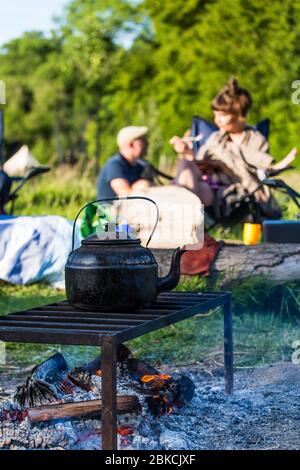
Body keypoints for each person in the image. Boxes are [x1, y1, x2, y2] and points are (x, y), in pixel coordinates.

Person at [170, 78, 297, 218]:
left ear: (239, 115)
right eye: (215, 115)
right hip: (210, 187)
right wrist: (187, 153)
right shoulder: (216, 138)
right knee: (186, 165)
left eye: (222, 115)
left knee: (186, 185)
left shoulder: (256, 140)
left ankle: (180, 226)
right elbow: (200, 165)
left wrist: (223, 162)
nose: (216, 120)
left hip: (239, 193)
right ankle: (183, 227)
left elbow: (257, 174)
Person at [97, 126, 154, 199]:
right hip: (110, 209)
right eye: (143, 140)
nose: (147, 143)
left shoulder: (141, 166)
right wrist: (143, 185)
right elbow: (125, 195)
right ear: (131, 144)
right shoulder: (114, 165)